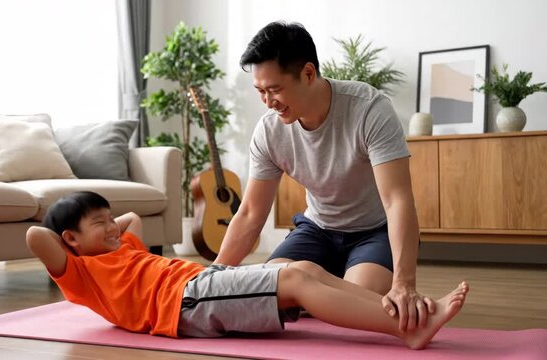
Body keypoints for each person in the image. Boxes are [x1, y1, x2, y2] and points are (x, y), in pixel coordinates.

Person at [26, 191, 469, 350]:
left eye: (108, 220)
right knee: (295, 279)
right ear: (69, 240)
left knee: (304, 267)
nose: (111, 227)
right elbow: (35, 237)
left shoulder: (120, 245)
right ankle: (405, 330)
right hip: (185, 305)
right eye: (97, 223)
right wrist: (79, 239)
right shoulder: (80, 275)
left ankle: (398, 312)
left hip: (200, 281)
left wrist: (101, 225)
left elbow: (132, 222)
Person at [213, 20, 430, 332]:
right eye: (260, 91)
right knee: (271, 287)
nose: (268, 102)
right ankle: (319, 293)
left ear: (309, 73)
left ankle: (321, 294)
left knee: (362, 299)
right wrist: (214, 276)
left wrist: (404, 285)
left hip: (373, 231)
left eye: (275, 89)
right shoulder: (269, 131)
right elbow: (249, 213)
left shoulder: (369, 109)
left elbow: (397, 200)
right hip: (317, 230)